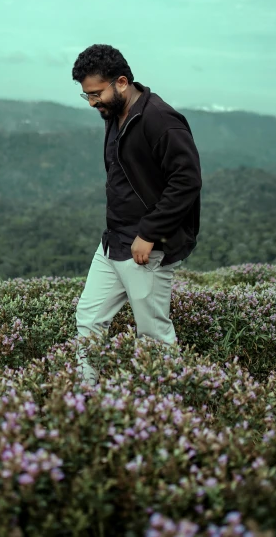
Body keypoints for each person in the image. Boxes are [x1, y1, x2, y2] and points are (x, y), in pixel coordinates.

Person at [71, 44, 202, 388]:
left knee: (153, 335)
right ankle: (83, 397)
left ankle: (167, 407)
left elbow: (187, 180)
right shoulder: (115, 113)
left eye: (96, 94)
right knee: (88, 317)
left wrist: (150, 232)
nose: (92, 103)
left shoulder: (160, 119)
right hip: (114, 241)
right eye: (86, 95)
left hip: (146, 246)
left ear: (122, 82)